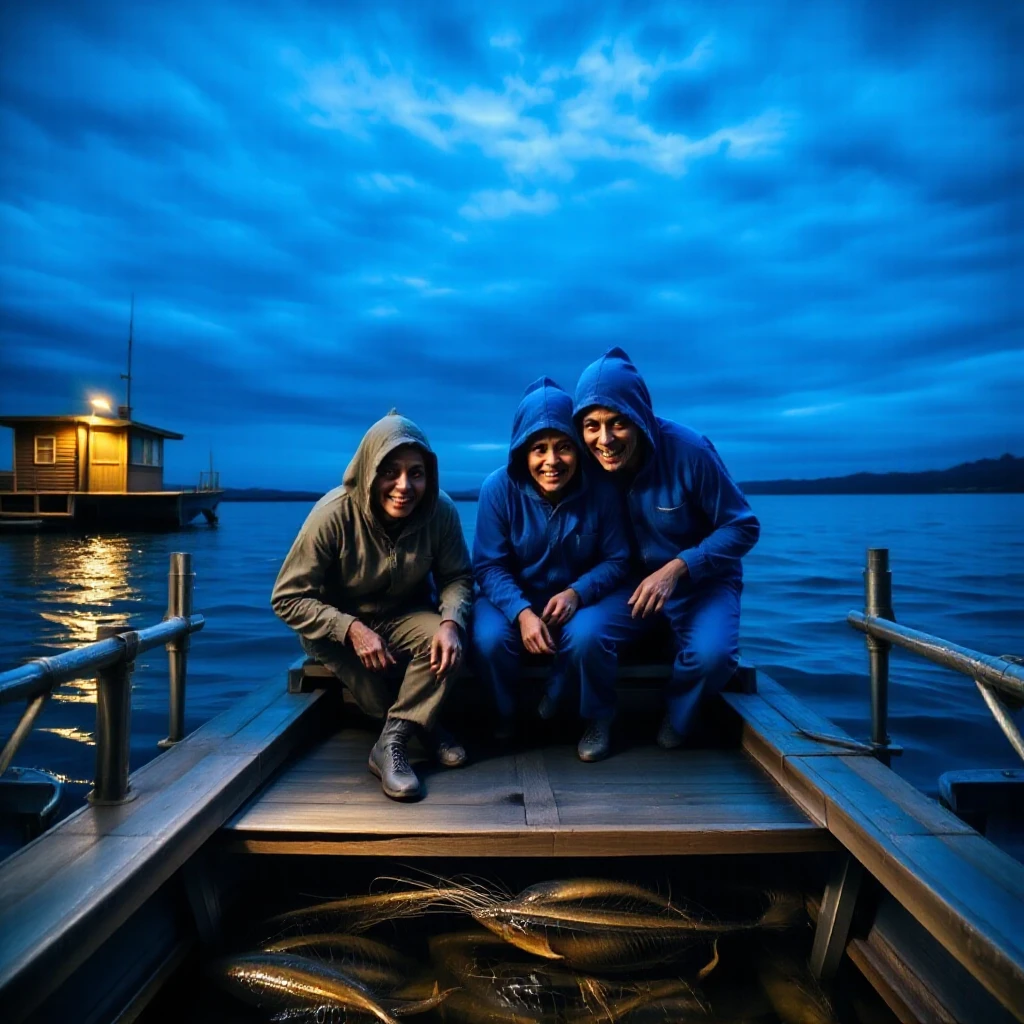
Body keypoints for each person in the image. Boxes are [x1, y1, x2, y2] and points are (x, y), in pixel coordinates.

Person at [271, 411, 472, 801]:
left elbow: (457, 578)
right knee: (376, 696)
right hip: (335, 626)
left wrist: (451, 621)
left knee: (447, 643)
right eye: (390, 472)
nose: (404, 486)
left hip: (401, 614)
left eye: (416, 472)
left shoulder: (440, 511)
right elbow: (287, 598)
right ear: (369, 471)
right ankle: (425, 727)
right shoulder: (333, 514)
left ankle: (392, 742)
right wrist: (350, 629)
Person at [573, 347, 760, 748]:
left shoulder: (691, 453)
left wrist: (678, 567)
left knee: (713, 658)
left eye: (618, 423)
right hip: (630, 586)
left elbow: (743, 527)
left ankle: (678, 717)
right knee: (587, 636)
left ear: (639, 415)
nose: (604, 439)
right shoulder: (589, 464)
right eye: (591, 425)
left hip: (701, 582)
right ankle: (597, 719)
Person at [471, 377, 631, 762]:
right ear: (522, 452)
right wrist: (521, 612)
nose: (551, 461)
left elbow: (619, 559)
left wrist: (579, 592)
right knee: (490, 639)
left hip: (582, 595)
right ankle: (507, 715)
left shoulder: (602, 489)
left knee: (589, 634)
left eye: (563, 447)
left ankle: (596, 717)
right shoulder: (497, 489)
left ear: (578, 448)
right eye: (538, 449)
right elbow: (488, 565)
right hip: (513, 594)